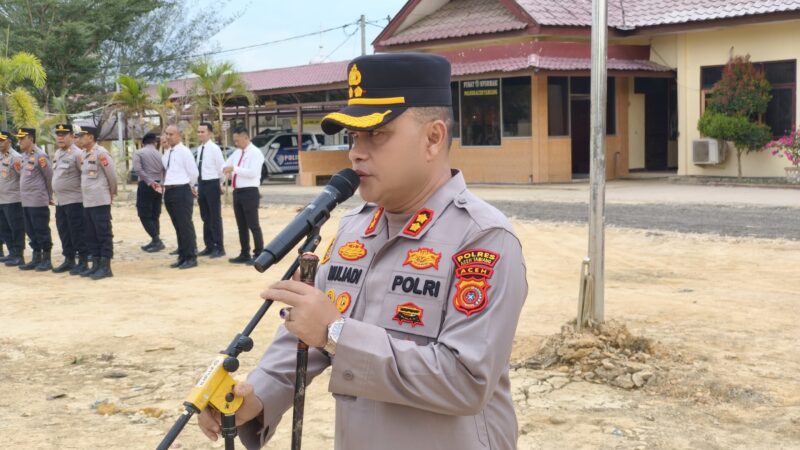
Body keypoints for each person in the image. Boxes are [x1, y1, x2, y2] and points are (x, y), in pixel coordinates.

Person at [197, 53, 528, 450]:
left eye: (377, 135)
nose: (355, 153)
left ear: (433, 138)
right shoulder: (355, 228)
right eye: (354, 137)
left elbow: (466, 380)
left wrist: (336, 333)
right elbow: (307, 334)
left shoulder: (482, 238)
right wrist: (255, 397)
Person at [76, 126, 117, 279]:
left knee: (103, 233)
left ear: (91, 137)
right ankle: (96, 264)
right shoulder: (84, 154)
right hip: (87, 201)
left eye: (81, 136)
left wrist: (111, 193)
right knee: (90, 234)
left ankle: (106, 267)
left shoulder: (101, 153)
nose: (78, 139)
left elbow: (111, 175)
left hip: (100, 200)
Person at [157, 124, 198, 269]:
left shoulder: (184, 152)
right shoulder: (168, 152)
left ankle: (191, 257)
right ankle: (182, 255)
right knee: (177, 226)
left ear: (179, 135)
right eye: (166, 134)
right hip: (169, 191)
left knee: (185, 225)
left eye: (171, 134)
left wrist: (189, 186)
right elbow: (167, 168)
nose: (168, 137)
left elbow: (193, 173)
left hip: (181, 190)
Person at [223, 127, 265, 266]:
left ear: (246, 137)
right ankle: (244, 253)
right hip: (238, 191)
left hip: (250, 191)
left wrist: (234, 169)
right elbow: (226, 164)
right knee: (241, 225)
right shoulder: (237, 153)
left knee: (253, 224)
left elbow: (253, 172)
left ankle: (259, 253)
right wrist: (227, 170)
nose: (235, 143)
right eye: (234, 140)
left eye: (237, 140)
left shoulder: (255, 153)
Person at [51, 124, 89, 274]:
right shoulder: (58, 153)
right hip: (60, 201)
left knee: (77, 232)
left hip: (75, 201)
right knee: (64, 231)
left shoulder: (78, 154)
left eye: (64, 134)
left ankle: (83, 261)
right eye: (58, 134)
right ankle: (69, 260)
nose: (60, 137)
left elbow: (85, 177)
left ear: (72, 137)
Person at [17, 127, 54, 271]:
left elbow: (49, 177)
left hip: (38, 200)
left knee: (41, 229)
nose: (19, 141)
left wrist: (50, 196)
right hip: (25, 200)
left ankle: (46, 259)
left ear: (31, 139)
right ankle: (36, 256)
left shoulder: (41, 156)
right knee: (30, 230)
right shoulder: (24, 156)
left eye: (22, 138)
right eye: (18, 138)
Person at [194, 122, 225, 258]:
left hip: (212, 183)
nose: (200, 134)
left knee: (215, 217)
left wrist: (220, 183)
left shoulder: (214, 149)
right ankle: (209, 246)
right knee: (205, 216)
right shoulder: (200, 149)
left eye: (203, 132)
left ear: (210, 133)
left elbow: (221, 168)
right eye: (199, 132)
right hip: (202, 184)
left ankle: (219, 247)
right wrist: (196, 185)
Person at [133, 132, 165, 252]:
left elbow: (138, 169)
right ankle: (155, 240)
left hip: (146, 184)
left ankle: (156, 240)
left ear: (143, 143)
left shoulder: (139, 152)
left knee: (144, 213)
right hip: (159, 185)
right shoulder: (160, 154)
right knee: (155, 213)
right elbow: (164, 170)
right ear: (155, 143)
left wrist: (149, 181)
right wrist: (160, 183)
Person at [0, 130, 25, 267]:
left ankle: (19, 255)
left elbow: (23, 177)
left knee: (16, 228)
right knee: (4, 228)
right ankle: (11, 252)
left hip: (13, 199)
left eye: (2, 140)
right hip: (1, 199)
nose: (0, 143)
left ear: (9, 141)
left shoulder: (15, 157)